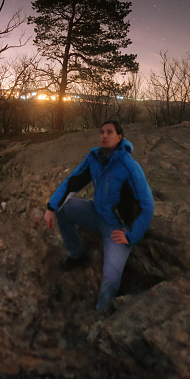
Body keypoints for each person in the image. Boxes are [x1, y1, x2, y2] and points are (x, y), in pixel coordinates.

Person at [42, 121, 154, 311]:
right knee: (64, 208)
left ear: (119, 137)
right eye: (102, 132)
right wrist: (51, 207)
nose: (104, 136)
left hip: (116, 227)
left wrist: (131, 236)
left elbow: (148, 206)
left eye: (109, 132)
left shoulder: (129, 166)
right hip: (95, 212)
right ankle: (76, 254)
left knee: (110, 278)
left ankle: (102, 313)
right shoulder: (94, 157)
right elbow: (73, 182)